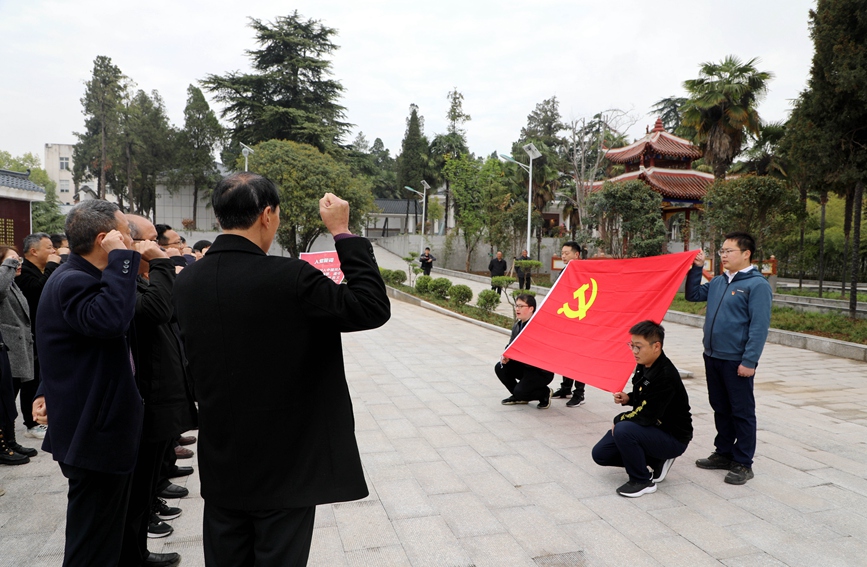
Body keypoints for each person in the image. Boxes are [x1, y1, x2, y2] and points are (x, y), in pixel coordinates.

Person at [172, 173, 390, 566]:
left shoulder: (188, 282)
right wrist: (341, 232)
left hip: (223, 461)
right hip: (285, 466)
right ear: (267, 215)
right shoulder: (289, 278)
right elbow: (371, 307)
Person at [34, 200, 143, 567]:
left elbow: (64, 347)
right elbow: (110, 321)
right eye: (127, 234)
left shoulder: (79, 277)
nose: (133, 242)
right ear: (104, 238)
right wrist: (122, 261)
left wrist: (43, 390)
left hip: (98, 425)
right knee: (92, 546)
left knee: (105, 535)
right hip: (94, 432)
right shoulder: (73, 279)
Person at [120, 214, 196, 567]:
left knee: (144, 487)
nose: (158, 248)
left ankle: (139, 551)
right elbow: (158, 311)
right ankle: (134, 555)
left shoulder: (143, 278)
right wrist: (164, 264)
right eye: (151, 241)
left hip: (161, 398)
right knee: (134, 497)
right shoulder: (122, 283)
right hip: (143, 402)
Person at [685, 232, 772, 485]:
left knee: (742, 412)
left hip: (737, 360)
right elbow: (692, 295)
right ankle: (723, 452)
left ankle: (743, 462)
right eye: (721, 251)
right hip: (712, 356)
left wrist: (750, 361)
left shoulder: (757, 286)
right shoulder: (718, 282)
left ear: (746, 254)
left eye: (728, 251)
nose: (723, 256)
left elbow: (759, 327)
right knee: (720, 408)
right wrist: (697, 268)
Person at [591, 321, 693, 497]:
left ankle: (642, 480)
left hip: (672, 437)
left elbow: (647, 415)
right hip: (652, 429)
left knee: (624, 429)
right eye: (632, 346)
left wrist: (619, 420)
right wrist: (630, 398)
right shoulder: (645, 364)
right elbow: (645, 396)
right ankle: (656, 459)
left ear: (656, 346)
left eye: (638, 347)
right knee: (601, 454)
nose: (634, 352)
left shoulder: (665, 375)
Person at [15, 232, 61, 439]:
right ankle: (31, 422)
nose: (54, 251)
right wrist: (52, 266)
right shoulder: (23, 272)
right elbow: (39, 291)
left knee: (36, 379)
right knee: (28, 381)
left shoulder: (40, 270)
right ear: (33, 251)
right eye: (49, 247)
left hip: (39, 334)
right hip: (24, 337)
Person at [0, 246, 38, 461]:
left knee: (9, 399)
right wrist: (8, 264)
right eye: (12, 260)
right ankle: (3, 446)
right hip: (7, 349)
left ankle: (10, 441)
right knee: (4, 400)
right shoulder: (3, 281)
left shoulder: (12, 283)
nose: (18, 263)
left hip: (16, 349)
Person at [495, 294, 554, 409]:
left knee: (521, 391)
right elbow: (511, 345)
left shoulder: (538, 327)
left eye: (521, 306)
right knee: (500, 367)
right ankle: (519, 396)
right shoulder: (517, 325)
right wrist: (506, 355)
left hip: (539, 371)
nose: (517, 309)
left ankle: (544, 393)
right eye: (516, 306)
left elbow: (543, 352)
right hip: (524, 366)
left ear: (531, 308)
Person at [551, 241, 587, 407]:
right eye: (562, 253)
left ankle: (579, 393)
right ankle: (566, 388)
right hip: (567, 320)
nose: (563, 256)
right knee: (566, 355)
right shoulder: (565, 270)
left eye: (566, 253)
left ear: (576, 254)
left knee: (579, 358)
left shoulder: (585, 272)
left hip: (581, 321)